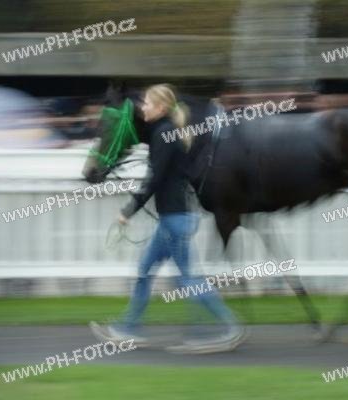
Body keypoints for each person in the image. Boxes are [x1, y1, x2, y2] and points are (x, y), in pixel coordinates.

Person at [90, 84, 245, 352]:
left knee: (188, 280)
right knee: (145, 271)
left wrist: (128, 211)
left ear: (161, 108)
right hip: (173, 219)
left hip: (175, 220)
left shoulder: (164, 134)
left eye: (148, 103)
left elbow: (155, 180)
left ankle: (227, 328)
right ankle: (129, 329)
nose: (143, 107)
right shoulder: (166, 132)